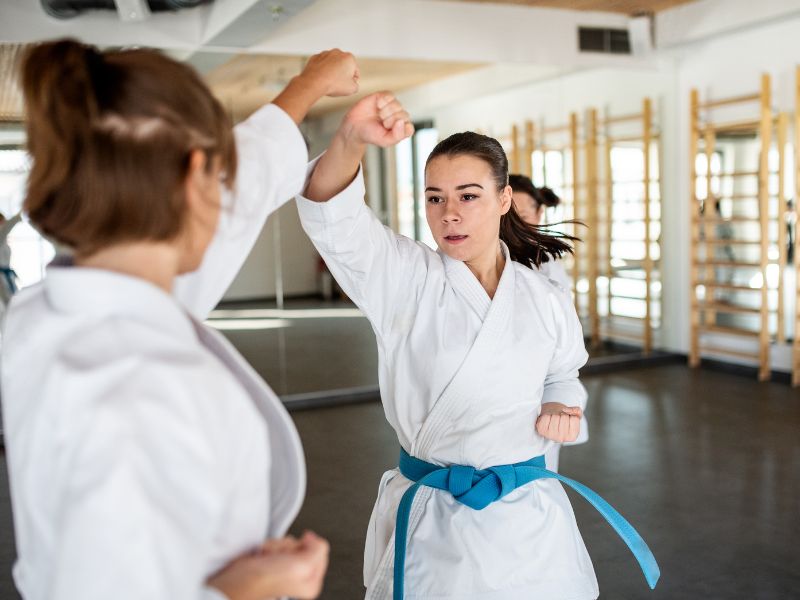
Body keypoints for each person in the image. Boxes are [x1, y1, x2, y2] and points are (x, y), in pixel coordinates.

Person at [1, 39, 359, 600]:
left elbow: (248, 179)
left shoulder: (44, 316)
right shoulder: (138, 379)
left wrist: (309, 85)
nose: (227, 194)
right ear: (196, 176)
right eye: (218, 174)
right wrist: (255, 584)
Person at [296, 94, 659, 599]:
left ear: (504, 198)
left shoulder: (541, 296)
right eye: (434, 198)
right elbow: (334, 220)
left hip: (529, 514)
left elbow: (564, 373)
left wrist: (562, 404)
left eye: (468, 196)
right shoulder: (405, 279)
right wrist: (352, 139)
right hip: (439, 517)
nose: (449, 215)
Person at [509, 173, 587, 472]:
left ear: (539, 214)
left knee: (539, 467)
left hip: (540, 381)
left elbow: (559, 340)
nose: (513, 224)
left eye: (523, 215)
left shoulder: (545, 262)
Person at [0, 211, 22, 307]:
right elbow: (7, 228)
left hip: (6, 275)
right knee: (9, 304)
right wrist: (20, 215)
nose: (3, 225)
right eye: (2, 222)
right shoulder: (1, 236)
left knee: (12, 302)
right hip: (2, 276)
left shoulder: (3, 240)